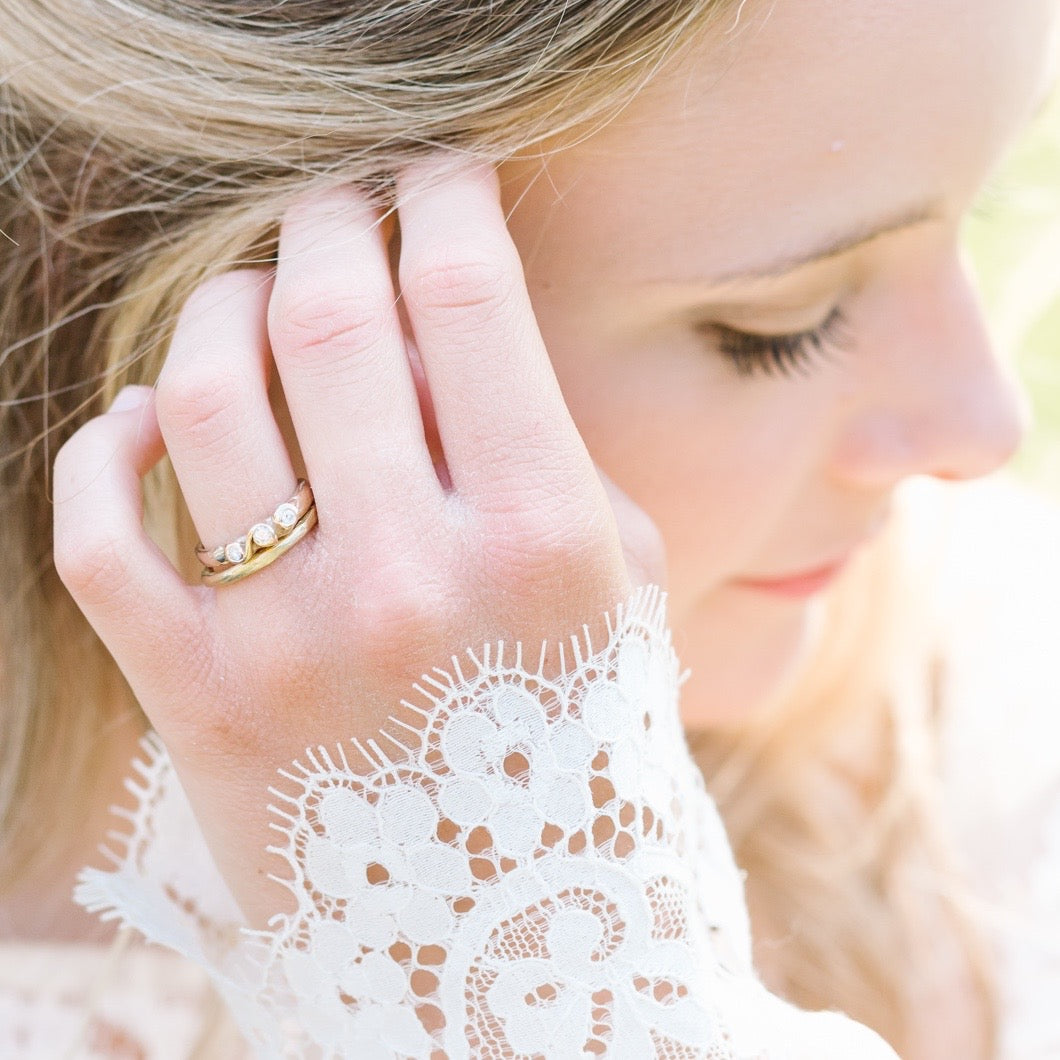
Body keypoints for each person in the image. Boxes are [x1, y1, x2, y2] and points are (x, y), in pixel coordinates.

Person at [1, 0, 1058, 1056]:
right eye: (775, 330)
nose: (982, 430)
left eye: (980, 210)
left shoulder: (1006, 734)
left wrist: (519, 944)